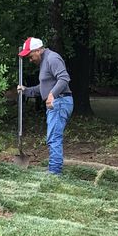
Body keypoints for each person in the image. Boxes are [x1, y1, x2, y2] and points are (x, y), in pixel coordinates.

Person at [16, 37, 73, 175]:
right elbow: (43, 88)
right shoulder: (44, 62)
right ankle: (53, 169)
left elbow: (64, 78)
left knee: (54, 137)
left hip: (60, 101)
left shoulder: (52, 58)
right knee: (52, 137)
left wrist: (52, 95)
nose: (30, 60)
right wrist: (26, 90)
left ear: (38, 50)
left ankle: (54, 172)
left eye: (31, 56)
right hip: (56, 101)